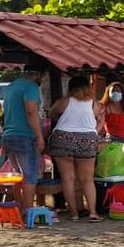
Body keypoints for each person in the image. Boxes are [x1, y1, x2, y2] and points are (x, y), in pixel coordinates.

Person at [47, 75, 103, 222]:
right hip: (87, 139)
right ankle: (92, 213)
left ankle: (74, 214)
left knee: (68, 179)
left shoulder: (63, 102)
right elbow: (96, 119)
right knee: (87, 179)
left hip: (63, 138)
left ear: (70, 88)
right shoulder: (93, 104)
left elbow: (51, 114)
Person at [0, 68, 44, 213]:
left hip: (8, 134)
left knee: (17, 174)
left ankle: (18, 208)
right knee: (30, 175)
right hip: (25, 135)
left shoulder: (11, 86)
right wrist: (39, 136)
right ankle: (28, 210)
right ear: (37, 74)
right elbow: (31, 111)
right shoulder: (31, 87)